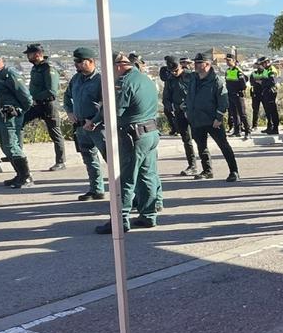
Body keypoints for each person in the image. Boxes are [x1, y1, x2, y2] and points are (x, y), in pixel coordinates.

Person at [96, 53, 162, 233]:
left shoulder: (124, 83)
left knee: (125, 178)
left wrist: (99, 113)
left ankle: (120, 219)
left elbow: (114, 112)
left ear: (118, 66)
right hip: (150, 132)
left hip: (133, 136)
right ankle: (149, 216)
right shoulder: (146, 79)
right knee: (147, 176)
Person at [0, 48, 34, 188]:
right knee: (5, 147)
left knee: (12, 146)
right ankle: (19, 175)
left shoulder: (9, 74)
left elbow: (26, 98)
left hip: (8, 118)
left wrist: (19, 111)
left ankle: (26, 176)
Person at [184, 51, 239, 181]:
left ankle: (234, 171)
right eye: (195, 63)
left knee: (224, 146)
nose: (196, 65)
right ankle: (207, 171)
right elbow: (188, 96)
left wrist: (219, 117)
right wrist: (187, 110)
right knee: (201, 147)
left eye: (199, 63)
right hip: (196, 119)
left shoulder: (216, 81)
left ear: (207, 64)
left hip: (213, 120)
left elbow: (223, 100)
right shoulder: (193, 79)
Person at [62, 47, 106, 201]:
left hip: (97, 127)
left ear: (91, 61)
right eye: (75, 61)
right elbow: (67, 97)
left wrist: (95, 121)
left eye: (80, 61)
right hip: (81, 126)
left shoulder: (101, 79)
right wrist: (69, 111)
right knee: (89, 159)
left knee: (111, 159)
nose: (77, 64)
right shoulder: (76, 79)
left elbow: (107, 105)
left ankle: (122, 192)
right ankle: (96, 189)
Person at [21, 43, 67, 171]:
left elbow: (51, 91)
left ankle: (60, 161)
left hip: (48, 105)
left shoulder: (48, 68)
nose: (28, 57)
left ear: (37, 54)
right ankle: (17, 154)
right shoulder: (35, 68)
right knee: (19, 123)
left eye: (29, 54)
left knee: (55, 133)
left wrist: (35, 98)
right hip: (36, 105)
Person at [162, 56, 198, 176]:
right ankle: (192, 165)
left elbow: (198, 93)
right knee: (186, 140)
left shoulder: (191, 76)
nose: (174, 73)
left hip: (193, 112)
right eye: (172, 71)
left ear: (180, 66)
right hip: (179, 113)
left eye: (176, 70)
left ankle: (207, 167)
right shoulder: (170, 80)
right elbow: (166, 98)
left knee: (199, 138)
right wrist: (172, 107)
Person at [223, 54, 251, 138]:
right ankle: (236, 131)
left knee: (242, 114)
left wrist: (238, 91)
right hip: (230, 95)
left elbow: (243, 84)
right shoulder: (227, 71)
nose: (227, 62)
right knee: (234, 114)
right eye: (226, 60)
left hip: (238, 95)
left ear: (234, 61)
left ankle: (247, 131)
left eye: (229, 60)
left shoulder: (238, 71)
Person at [251, 56, 279, 133]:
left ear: (266, 62)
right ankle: (270, 127)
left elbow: (272, 81)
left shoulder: (271, 70)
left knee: (273, 110)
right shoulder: (266, 70)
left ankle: (275, 128)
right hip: (266, 91)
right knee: (268, 110)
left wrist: (261, 82)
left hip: (271, 91)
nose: (261, 66)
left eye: (262, 64)